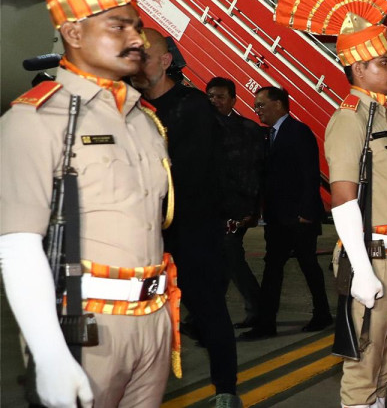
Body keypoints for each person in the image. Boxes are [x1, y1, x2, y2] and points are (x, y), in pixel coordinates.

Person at [0, 0, 180, 406]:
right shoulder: (35, 119)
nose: (138, 39)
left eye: (138, 26)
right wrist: (50, 353)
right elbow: (16, 245)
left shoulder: (145, 119)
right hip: (86, 331)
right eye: (119, 26)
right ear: (74, 32)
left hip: (154, 323)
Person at [131, 28, 242, 406]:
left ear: (165, 62)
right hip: (145, 234)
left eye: (145, 54)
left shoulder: (191, 106)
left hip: (192, 231)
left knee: (209, 309)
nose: (137, 61)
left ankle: (226, 391)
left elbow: (191, 173)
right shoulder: (128, 107)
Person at [241, 86, 332, 340]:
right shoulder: (268, 135)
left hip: (298, 217)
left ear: (279, 105)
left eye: (260, 105)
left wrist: (306, 212)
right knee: (273, 269)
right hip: (276, 217)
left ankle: (322, 313)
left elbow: (309, 174)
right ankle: (266, 323)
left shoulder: (297, 132)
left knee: (308, 265)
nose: (256, 110)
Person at [206, 76, 266, 329]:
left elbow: (258, 172)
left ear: (233, 100)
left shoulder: (248, 130)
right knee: (216, 261)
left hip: (237, 208)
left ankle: (258, 310)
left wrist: (253, 209)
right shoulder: (201, 128)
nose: (215, 101)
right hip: (209, 207)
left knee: (230, 257)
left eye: (220, 97)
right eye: (210, 96)